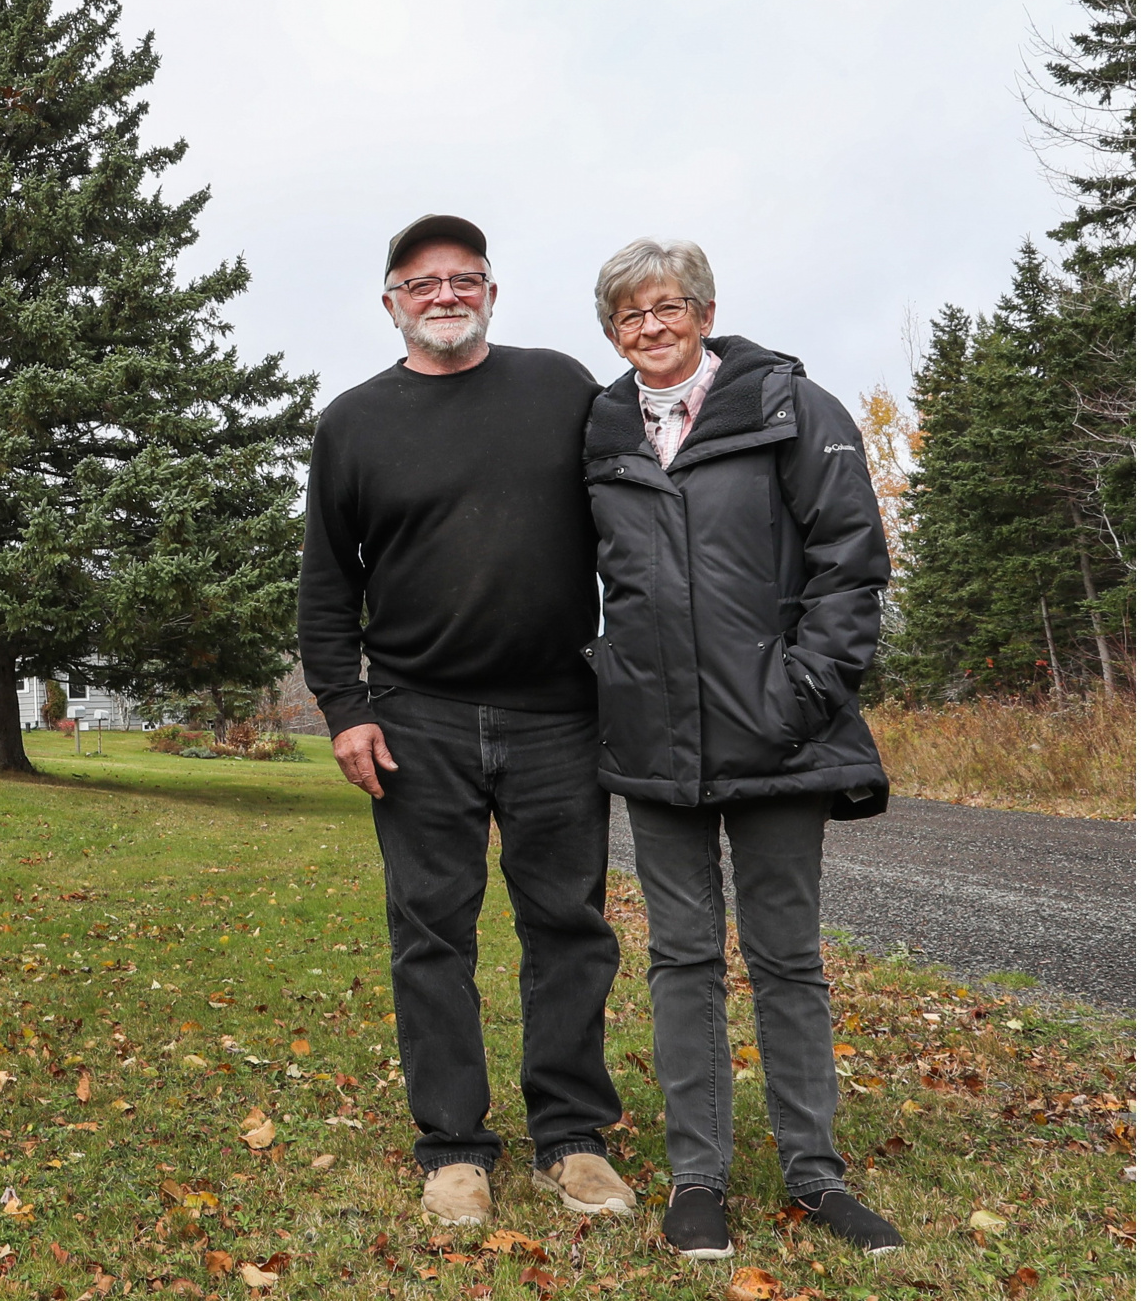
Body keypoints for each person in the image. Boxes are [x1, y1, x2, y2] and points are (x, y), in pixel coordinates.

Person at [299, 214, 633, 1228]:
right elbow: (325, 587)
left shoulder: (559, 387)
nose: (443, 294)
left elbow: (634, 514)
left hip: (557, 716)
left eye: (463, 278)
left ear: (490, 292)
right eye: (420, 282)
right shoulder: (353, 423)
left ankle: (571, 1139)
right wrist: (344, 709)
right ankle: (452, 1147)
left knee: (568, 930)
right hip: (416, 718)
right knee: (430, 934)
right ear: (391, 302)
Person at [581, 237, 904, 1259]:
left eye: (666, 307)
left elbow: (849, 564)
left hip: (777, 736)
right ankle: (697, 1180)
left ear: (704, 312)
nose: (650, 328)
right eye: (628, 316)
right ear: (611, 333)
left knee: (784, 959)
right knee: (679, 960)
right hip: (654, 744)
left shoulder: (788, 409)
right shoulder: (594, 432)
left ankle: (813, 1175)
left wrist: (803, 690)